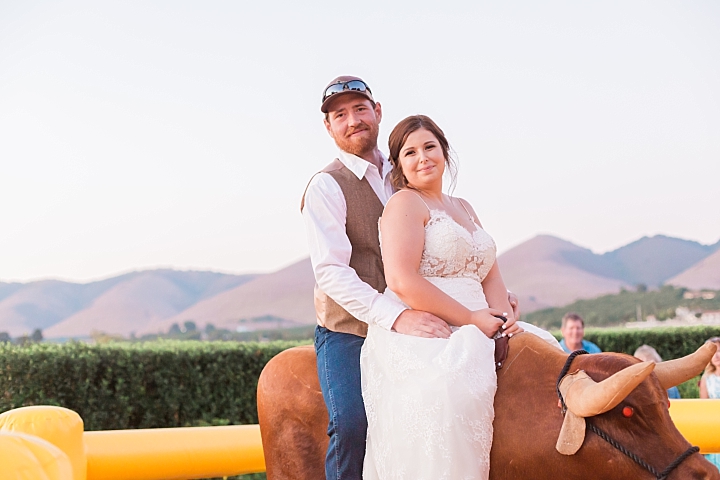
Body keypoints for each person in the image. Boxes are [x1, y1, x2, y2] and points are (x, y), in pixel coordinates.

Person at [301, 76, 522, 480]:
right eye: (340, 115)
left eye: (360, 109)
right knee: (351, 424)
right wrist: (396, 316)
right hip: (351, 328)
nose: (353, 120)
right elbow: (331, 272)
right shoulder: (326, 187)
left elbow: (443, 253)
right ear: (328, 127)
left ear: (377, 112)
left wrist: (490, 300)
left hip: (434, 312)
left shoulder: (406, 167)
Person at [360, 115, 562, 479]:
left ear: (444, 150)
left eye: (429, 147)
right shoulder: (404, 204)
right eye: (410, 152)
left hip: (483, 320)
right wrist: (470, 320)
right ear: (399, 165)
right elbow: (402, 280)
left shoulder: (465, 207)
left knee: (548, 355)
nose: (422, 157)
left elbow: (491, 273)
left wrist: (501, 320)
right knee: (451, 390)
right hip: (428, 326)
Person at [700, 337, 720, 469]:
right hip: (715, 425)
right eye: (713, 352)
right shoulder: (706, 378)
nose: (717, 355)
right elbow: (703, 407)